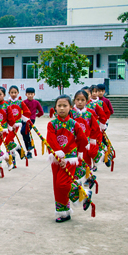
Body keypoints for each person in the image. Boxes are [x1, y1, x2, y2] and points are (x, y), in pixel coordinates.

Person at [46, 95, 90, 223]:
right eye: (59, 106)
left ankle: (83, 194)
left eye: (65, 105)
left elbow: (83, 140)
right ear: (55, 108)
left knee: (62, 183)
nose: (62, 108)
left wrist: (79, 153)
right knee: (57, 186)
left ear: (71, 107)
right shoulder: (52, 124)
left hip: (70, 159)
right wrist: (59, 156)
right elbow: (51, 141)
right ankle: (63, 213)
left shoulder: (74, 124)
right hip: (56, 159)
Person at [71, 90, 100, 188]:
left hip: (86, 143)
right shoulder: (71, 114)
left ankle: (88, 177)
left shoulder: (89, 114)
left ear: (87, 101)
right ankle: (76, 180)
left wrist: (92, 141)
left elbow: (95, 128)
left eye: (82, 100)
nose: (80, 102)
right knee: (75, 161)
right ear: (74, 100)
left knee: (86, 161)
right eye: (78, 99)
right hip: (73, 143)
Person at [6, 85, 31, 168]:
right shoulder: (7, 103)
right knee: (9, 143)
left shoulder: (20, 102)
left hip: (15, 125)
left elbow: (27, 112)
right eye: (12, 92)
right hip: (7, 125)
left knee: (7, 141)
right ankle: (13, 162)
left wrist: (23, 118)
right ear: (9, 93)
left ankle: (19, 149)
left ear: (18, 93)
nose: (13, 94)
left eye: (15, 92)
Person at [21, 87, 44, 159]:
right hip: (24, 120)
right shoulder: (23, 102)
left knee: (23, 131)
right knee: (25, 135)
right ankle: (29, 151)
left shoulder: (36, 102)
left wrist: (35, 115)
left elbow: (41, 112)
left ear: (34, 94)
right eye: (28, 94)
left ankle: (30, 145)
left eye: (31, 94)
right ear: (26, 94)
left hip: (31, 120)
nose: (30, 95)